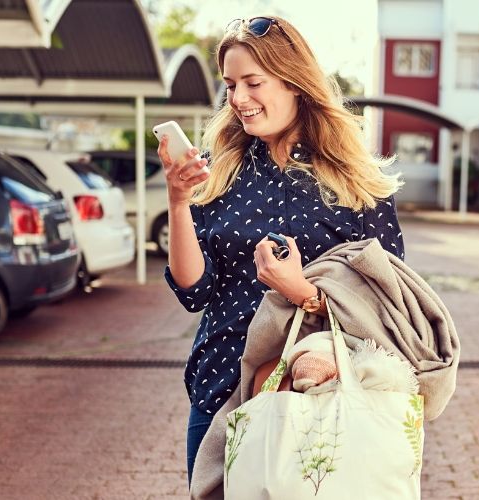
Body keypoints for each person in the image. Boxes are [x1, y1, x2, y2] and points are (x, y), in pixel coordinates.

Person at [158, 15, 405, 485]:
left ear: (295, 83)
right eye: (231, 85)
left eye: (254, 82)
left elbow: (389, 302)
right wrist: (177, 202)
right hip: (222, 389)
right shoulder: (218, 174)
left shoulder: (357, 181)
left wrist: (306, 294)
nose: (239, 99)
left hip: (320, 399)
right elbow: (194, 290)